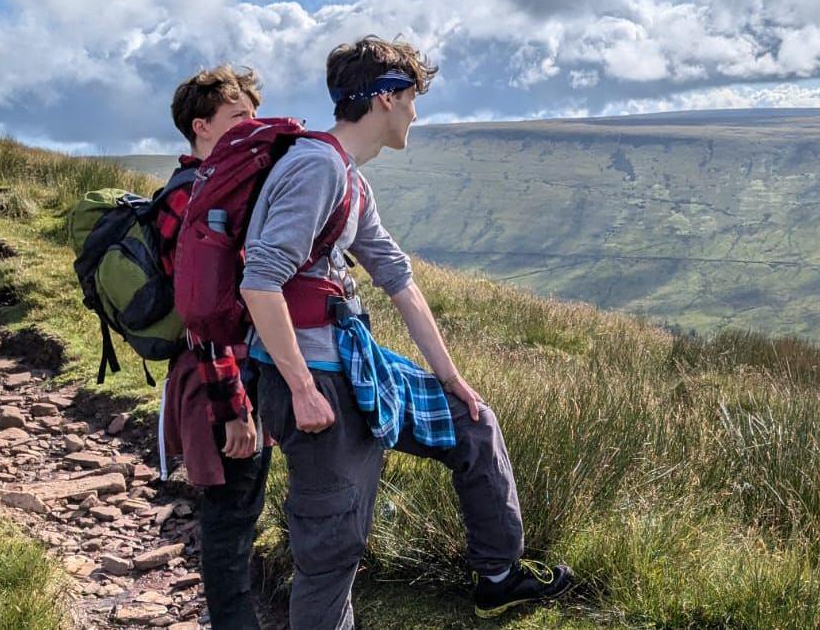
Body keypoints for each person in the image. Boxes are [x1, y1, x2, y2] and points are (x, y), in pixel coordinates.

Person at [240, 36, 573, 629]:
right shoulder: (316, 168)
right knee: (332, 552)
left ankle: (499, 577)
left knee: (472, 423)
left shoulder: (349, 179)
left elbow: (398, 279)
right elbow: (260, 282)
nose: (417, 112)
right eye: (414, 98)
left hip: (352, 363)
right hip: (315, 378)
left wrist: (455, 379)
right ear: (387, 99)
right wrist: (300, 389)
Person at [165, 65, 269, 630]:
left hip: (230, 377)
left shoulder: (210, 192)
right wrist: (234, 408)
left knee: (238, 518)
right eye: (238, 118)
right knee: (229, 527)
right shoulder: (194, 199)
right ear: (202, 126)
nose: (252, 126)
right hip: (218, 385)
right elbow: (202, 317)